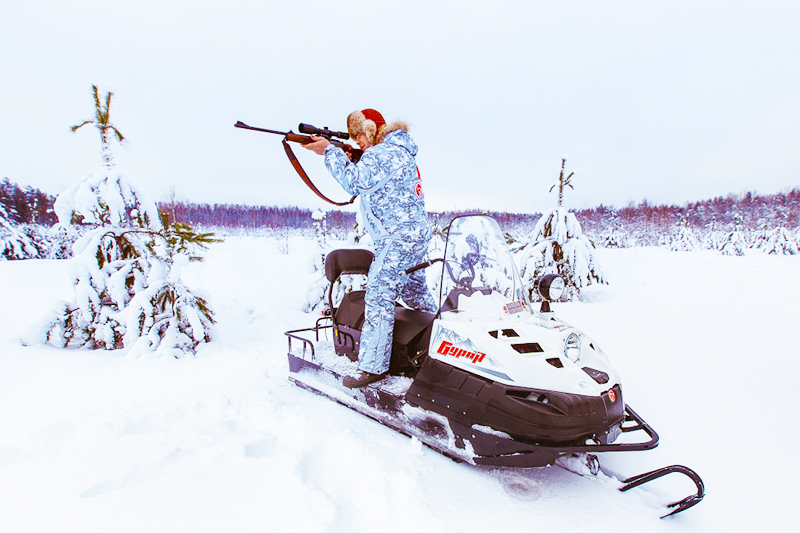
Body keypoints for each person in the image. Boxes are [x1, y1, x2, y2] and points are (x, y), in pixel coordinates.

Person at [304, 109, 437, 388]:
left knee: (377, 298)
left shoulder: (381, 154)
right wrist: (350, 156)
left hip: (395, 240)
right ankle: (441, 352)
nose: (358, 142)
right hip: (415, 237)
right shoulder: (400, 152)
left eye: (359, 137)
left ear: (371, 130)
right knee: (417, 295)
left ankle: (373, 368)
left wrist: (330, 151)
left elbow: (354, 182)